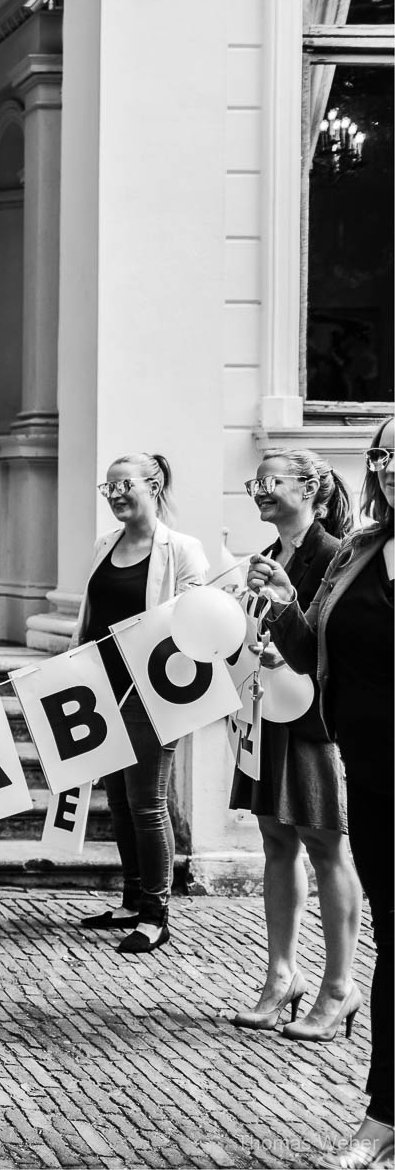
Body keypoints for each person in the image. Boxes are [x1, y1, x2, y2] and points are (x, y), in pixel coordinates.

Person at [251, 417, 393, 1170]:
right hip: (353, 755)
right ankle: (384, 1111)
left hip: (349, 745)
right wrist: (278, 610)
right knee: (388, 932)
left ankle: (343, 1001)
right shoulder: (363, 551)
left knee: (337, 864)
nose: (391, 466)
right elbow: (315, 647)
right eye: (382, 455)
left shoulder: (347, 551)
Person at [228, 450, 359, 1038]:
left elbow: (332, 643)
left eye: (270, 481)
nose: (259, 489)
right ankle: (282, 977)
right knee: (276, 842)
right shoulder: (264, 557)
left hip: (311, 719)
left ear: (310, 490)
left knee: (325, 846)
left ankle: (339, 985)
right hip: (264, 713)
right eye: (256, 481)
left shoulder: (335, 555)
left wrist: (284, 615)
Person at [74, 453, 207, 954]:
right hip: (100, 689)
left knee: (147, 803)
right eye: (107, 488)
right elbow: (90, 619)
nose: (115, 496)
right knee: (120, 803)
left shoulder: (181, 549)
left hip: (153, 694)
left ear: (154, 486)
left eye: (124, 485)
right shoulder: (104, 544)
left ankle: (156, 912)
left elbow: (194, 617)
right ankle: (132, 899)